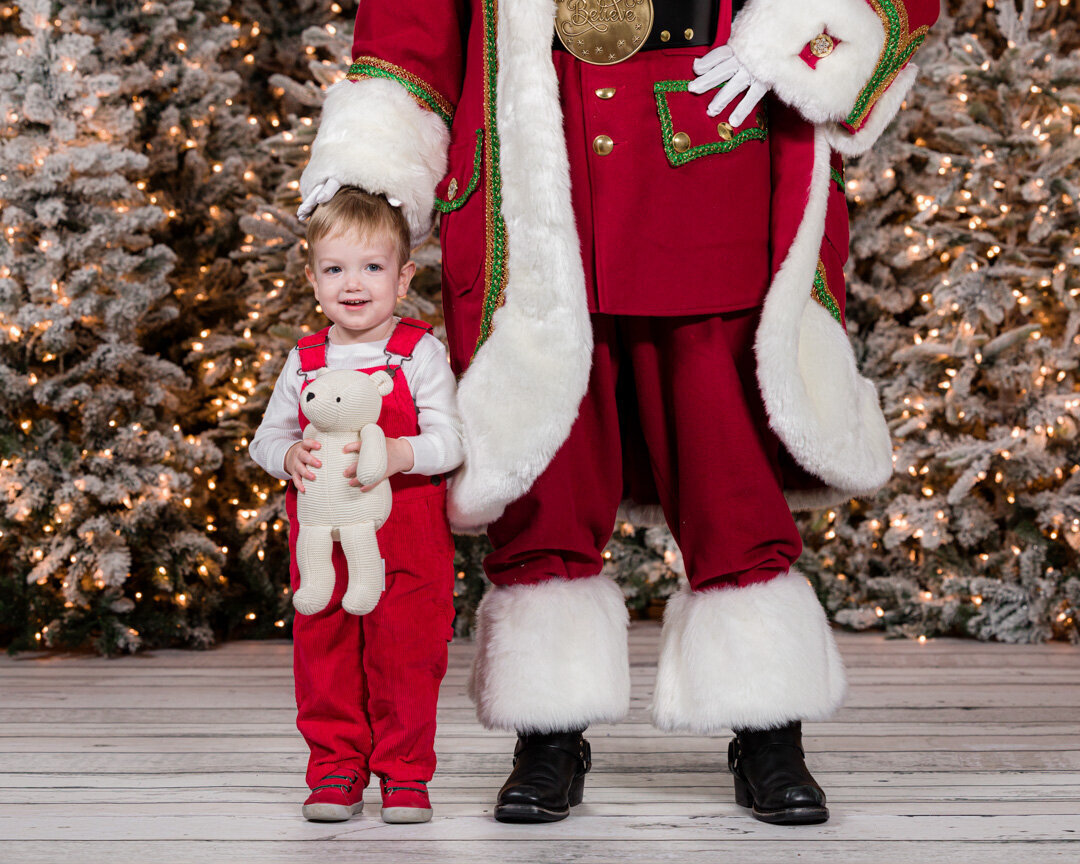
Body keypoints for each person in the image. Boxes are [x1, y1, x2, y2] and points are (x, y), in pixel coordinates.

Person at [297, 0, 939, 825]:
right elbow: (411, 26)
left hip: (713, 144)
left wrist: (794, 41)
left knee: (727, 449)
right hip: (537, 150)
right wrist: (369, 169)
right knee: (545, 456)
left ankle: (769, 727)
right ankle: (549, 731)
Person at [249, 188, 465, 824]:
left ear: (403, 279)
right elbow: (268, 437)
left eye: (372, 268)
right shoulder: (305, 360)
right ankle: (336, 766)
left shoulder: (419, 352)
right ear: (313, 278)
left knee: (407, 653)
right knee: (327, 650)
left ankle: (403, 773)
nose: (353, 284)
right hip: (324, 541)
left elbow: (450, 440)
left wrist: (401, 454)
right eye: (336, 268)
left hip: (409, 537)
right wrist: (287, 458)